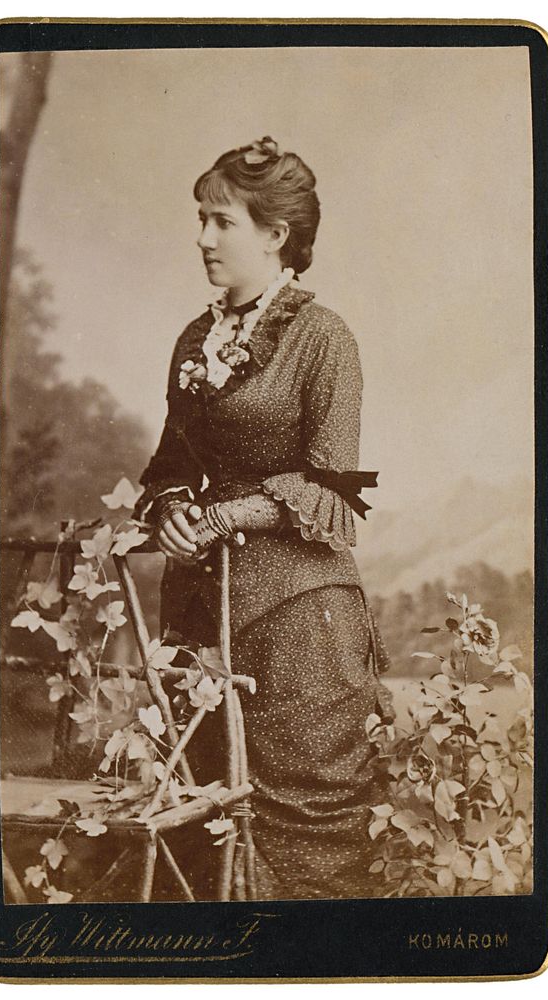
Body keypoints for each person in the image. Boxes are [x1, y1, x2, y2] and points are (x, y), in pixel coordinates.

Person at [134, 136, 392, 900]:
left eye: (221, 222)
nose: (203, 238)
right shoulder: (195, 340)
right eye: (200, 220)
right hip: (201, 611)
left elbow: (332, 486)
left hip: (300, 620)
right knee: (206, 814)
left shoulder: (324, 340)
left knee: (308, 824)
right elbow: (168, 469)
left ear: (276, 234)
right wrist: (177, 510)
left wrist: (222, 519)